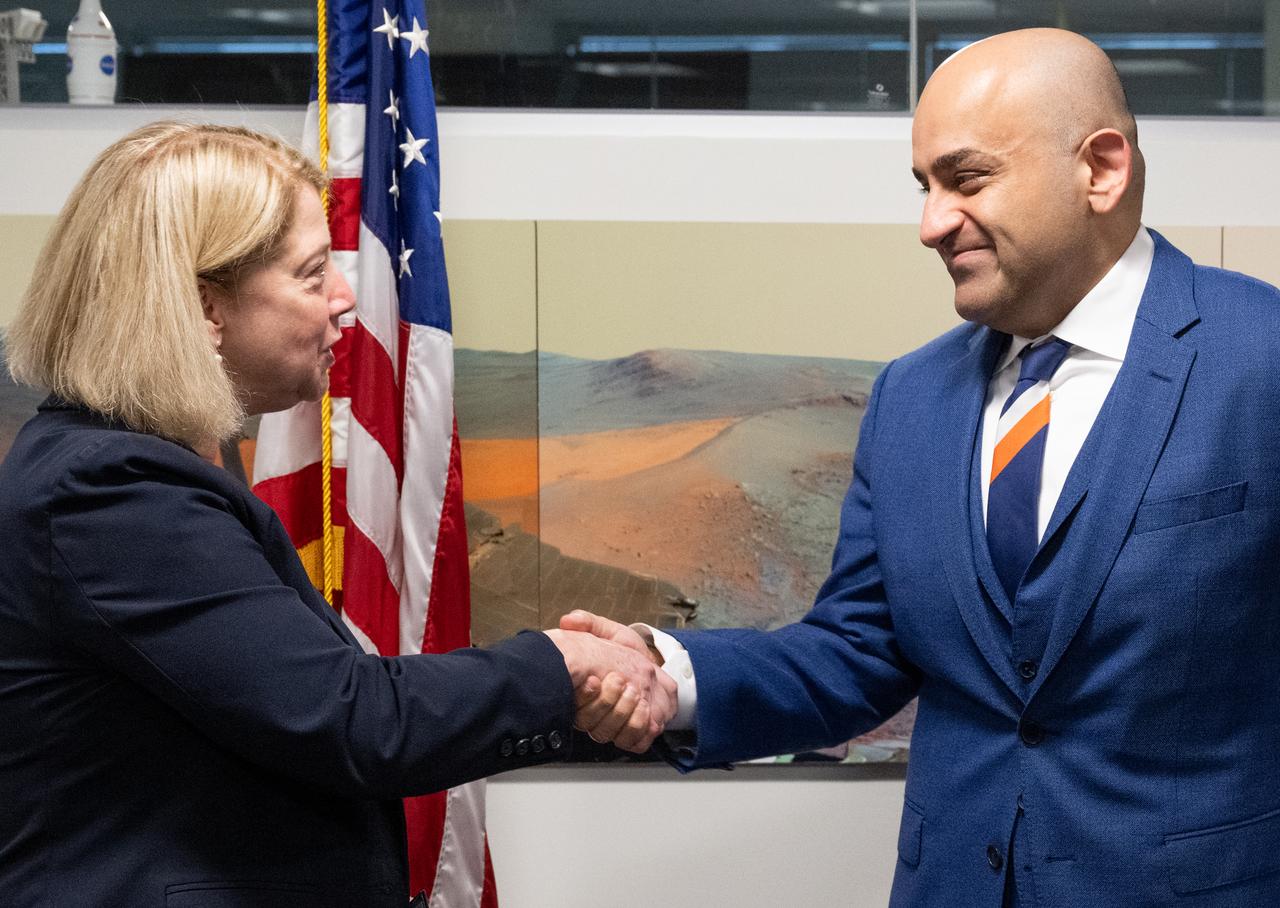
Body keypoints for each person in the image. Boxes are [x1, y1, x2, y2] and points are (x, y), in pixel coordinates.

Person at [566, 28, 1280, 907]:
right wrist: (667, 674)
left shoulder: (1261, 359)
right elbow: (857, 649)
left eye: (966, 179)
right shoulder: (910, 398)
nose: (931, 224)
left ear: (1101, 169)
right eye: (925, 187)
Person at [0, 121, 671, 905]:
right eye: (313, 273)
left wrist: (593, 694)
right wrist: (565, 662)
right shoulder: (111, 493)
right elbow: (350, 720)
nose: (347, 299)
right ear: (203, 307)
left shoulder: (134, 466)